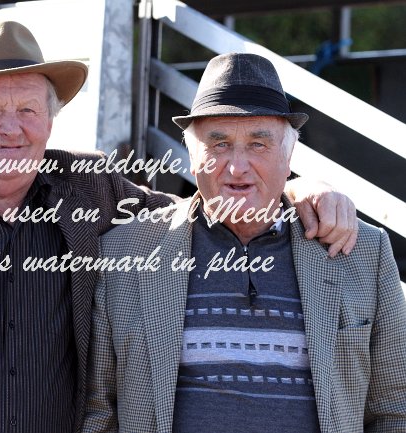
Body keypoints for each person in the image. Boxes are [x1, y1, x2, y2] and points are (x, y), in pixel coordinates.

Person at [0, 21, 357, 433]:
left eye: (28, 110)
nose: (11, 129)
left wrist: (297, 189)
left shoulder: (92, 189)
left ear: (51, 119)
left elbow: (203, 206)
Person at [82, 53, 406, 433]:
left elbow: (395, 410)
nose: (237, 167)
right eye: (219, 144)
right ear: (192, 156)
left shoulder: (363, 253)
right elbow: (98, 414)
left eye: (258, 144)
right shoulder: (124, 254)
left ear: (289, 157)